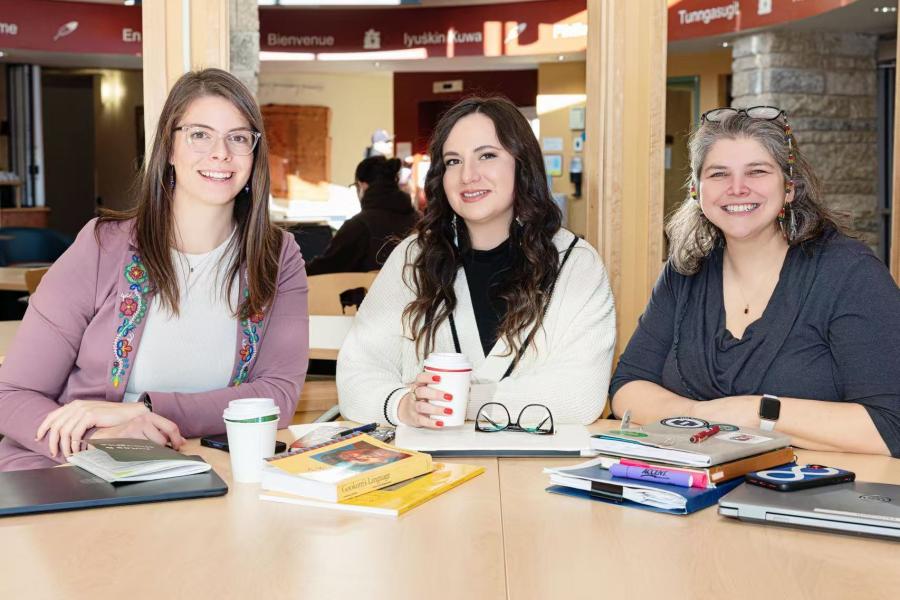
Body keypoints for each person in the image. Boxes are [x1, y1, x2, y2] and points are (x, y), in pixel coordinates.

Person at [0, 69, 310, 471]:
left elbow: (277, 396)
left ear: (254, 154)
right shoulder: (102, 245)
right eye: (199, 134)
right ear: (168, 147)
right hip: (70, 467)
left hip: (202, 473)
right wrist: (102, 433)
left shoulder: (277, 255)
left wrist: (143, 411)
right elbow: (11, 393)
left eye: (238, 137)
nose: (221, 153)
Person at [610, 107, 900, 456]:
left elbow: (890, 426)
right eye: (718, 174)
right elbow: (627, 388)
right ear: (696, 190)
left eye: (757, 171)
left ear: (789, 187)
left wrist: (756, 412)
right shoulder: (685, 269)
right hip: (690, 490)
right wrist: (699, 416)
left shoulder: (849, 273)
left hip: (809, 497)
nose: (737, 188)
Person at [337, 96, 616, 429]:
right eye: (453, 161)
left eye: (487, 155)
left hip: (535, 475)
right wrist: (403, 406)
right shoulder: (413, 259)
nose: (468, 175)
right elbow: (356, 373)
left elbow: (580, 395)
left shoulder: (576, 265)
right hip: (431, 474)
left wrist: (464, 400)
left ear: (522, 164)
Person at [305, 156, 419, 275]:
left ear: (362, 185)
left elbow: (325, 267)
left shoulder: (360, 225)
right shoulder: (418, 219)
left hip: (369, 293)